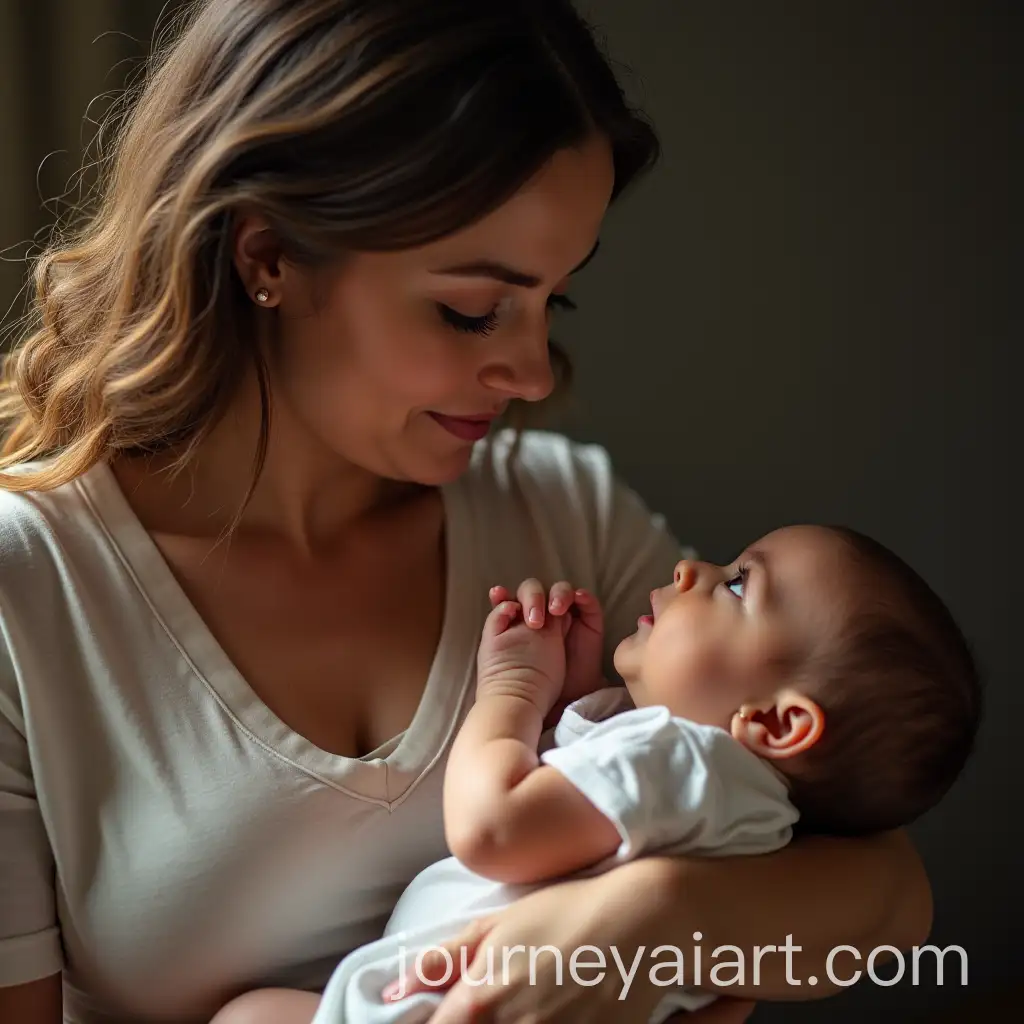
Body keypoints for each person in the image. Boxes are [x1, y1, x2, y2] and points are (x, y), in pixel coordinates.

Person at [0, 2, 934, 1022]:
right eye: (473, 308)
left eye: (553, 303)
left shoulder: (560, 513)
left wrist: (637, 925)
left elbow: (885, 895)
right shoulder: (30, 588)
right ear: (266, 254)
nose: (531, 372)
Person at [208, 524, 979, 1023]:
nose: (691, 571)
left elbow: (494, 830)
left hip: (440, 1004)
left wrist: (513, 692)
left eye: (740, 584)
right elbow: (592, 839)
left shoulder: (680, 758)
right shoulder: (749, 814)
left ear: (776, 723)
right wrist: (581, 708)